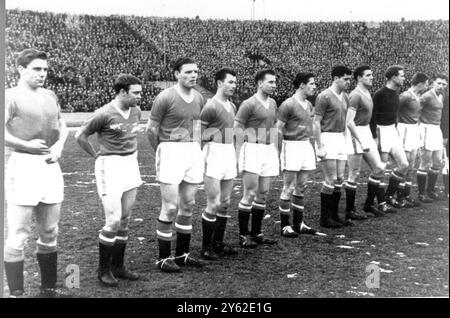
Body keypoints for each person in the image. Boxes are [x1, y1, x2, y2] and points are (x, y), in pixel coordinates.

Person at [4, 49, 68, 297]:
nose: (43, 74)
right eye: (37, 69)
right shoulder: (10, 96)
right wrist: (24, 144)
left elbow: (61, 124)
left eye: (45, 69)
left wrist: (60, 144)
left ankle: (48, 289)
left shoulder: (50, 94)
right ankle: (16, 292)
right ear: (21, 69)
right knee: (19, 233)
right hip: (23, 165)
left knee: (50, 231)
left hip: (50, 166)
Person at [75, 74, 143, 287]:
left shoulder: (137, 111)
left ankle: (118, 267)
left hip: (131, 164)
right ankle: (103, 270)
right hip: (110, 166)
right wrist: (96, 155)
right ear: (122, 92)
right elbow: (80, 135)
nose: (140, 97)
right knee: (113, 220)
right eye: (136, 93)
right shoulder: (103, 113)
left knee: (124, 219)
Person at [146, 57, 205, 272]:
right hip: (170, 150)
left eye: (196, 71)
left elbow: (198, 125)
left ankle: (182, 255)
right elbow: (151, 129)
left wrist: (196, 147)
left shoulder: (199, 97)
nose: (193, 75)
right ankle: (163, 258)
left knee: (188, 205)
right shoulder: (165, 97)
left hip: (192, 151)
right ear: (176, 74)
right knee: (170, 207)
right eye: (188, 72)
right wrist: (162, 149)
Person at [234, 69, 278, 248]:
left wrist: (274, 148)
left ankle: (257, 232)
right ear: (260, 83)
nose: (274, 86)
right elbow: (237, 126)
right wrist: (239, 150)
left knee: (263, 193)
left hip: (268, 150)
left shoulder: (273, 103)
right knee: (250, 193)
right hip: (252, 149)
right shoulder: (249, 103)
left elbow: (274, 126)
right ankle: (244, 235)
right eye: (270, 82)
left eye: (275, 83)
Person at [276, 72, 324, 237]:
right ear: (302, 85)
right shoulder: (288, 104)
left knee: (301, 187)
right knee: (288, 187)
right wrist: (278, 152)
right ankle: (284, 226)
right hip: (291, 146)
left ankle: (298, 224)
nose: (314, 86)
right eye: (311, 84)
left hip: (305, 146)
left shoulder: (309, 105)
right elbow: (278, 129)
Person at [199, 67, 239, 259]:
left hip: (228, 152)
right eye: (230, 82)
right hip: (213, 152)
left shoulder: (232, 106)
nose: (234, 85)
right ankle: (206, 247)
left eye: (235, 82)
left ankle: (218, 243)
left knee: (225, 203)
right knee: (213, 203)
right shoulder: (210, 106)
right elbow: (200, 135)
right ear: (219, 83)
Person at [345, 65, 392, 218]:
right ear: (359, 78)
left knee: (379, 168)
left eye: (372, 74)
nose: (372, 77)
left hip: (365, 132)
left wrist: (373, 137)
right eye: (368, 75)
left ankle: (369, 204)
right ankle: (349, 210)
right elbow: (349, 121)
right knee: (354, 173)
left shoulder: (367, 92)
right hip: (355, 133)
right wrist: (360, 140)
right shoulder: (355, 95)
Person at [313, 65, 353, 228]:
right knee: (330, 179)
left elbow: (345, 122)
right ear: (336, 78)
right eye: (345, 79)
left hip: (339, 138)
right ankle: (325, 218)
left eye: (349, 79)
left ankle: (334, 215)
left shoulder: (345, 97)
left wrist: (345, 140)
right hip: (327, 137)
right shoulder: (324, 96)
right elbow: (316, 122)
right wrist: (320, 145)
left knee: (340, 179)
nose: (348, 82)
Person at [371, 65, 409, 210]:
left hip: (392, 131)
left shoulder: (396, 93)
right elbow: (373, 117)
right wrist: (375, 136)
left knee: (404, 165)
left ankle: (388, 196)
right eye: (402, 75)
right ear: (393, 77)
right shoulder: (379, 94)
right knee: (382, 168)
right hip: (381, 131)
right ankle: (381, 203)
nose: (403, 78)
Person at [397, 72, 430, 206]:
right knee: (404, 164)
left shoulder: (418, 97)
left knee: (412, 165)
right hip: (404, 130)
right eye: (426, 85)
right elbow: (395, 111)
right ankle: (399, 196)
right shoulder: (405, 96)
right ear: (421, 84)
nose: (427, 88)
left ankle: (407, 194)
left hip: (414, 130)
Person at [417, 74, 448, 201]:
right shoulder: (426, 96)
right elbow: (416, 111)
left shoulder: (442, 95)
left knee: (438, 162)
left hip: (437, 129)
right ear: (432, 83)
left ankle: (430, 190)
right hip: (426, 128)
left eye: (444, 84)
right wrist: (419, 130)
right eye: (439, 83)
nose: (441, 86)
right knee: (425, 162)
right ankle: (421, 194)